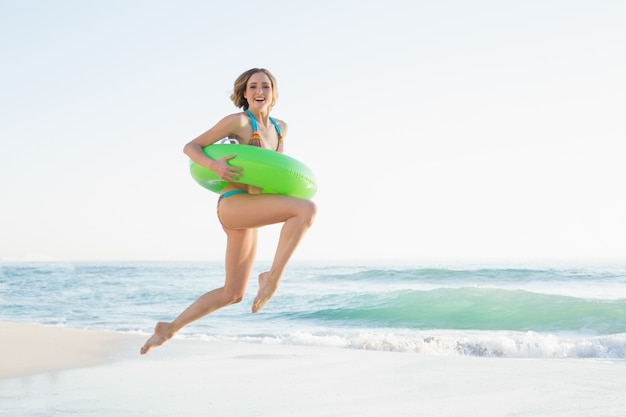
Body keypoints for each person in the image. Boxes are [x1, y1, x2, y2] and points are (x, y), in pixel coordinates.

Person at [140, 68, 316, 355]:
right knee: (306, 209)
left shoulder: (281, 128)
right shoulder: (239, 122)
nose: (260, 91)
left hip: (251, 213)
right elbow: (191, 146)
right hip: (234, 203)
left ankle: (168, 328)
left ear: (273, 92)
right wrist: (214, 166)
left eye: (265, 86)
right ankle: (272, 279)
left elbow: (273, 172)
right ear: (244, 93)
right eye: (253, 86)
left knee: (233, 293)